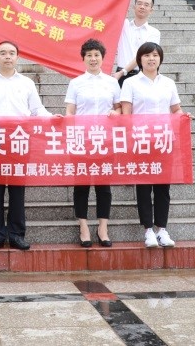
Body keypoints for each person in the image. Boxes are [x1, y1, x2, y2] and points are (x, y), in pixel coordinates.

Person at [0, 41, 52, 251]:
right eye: (3, 53)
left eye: (12, 53)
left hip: (19, 139)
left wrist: (52, 118)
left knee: (17, 189)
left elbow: (37, 110)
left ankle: (16, 234)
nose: (8, 56)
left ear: (17, 57)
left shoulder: (27, 83)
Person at [120, 42, 188, 248]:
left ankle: (162, 229)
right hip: (141, 141)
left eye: (155, 55)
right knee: (143, 186)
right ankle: (148, 230)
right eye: (147, 55)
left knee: (162, 187)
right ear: (140, 59)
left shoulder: (168, 83)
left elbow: (176, 109)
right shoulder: (130, 83)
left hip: (163, 140)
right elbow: (126, 114)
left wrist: (183, 116)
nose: (151, 59)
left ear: (160, 59)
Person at [64, 39, 121, 248]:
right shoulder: (76, 83)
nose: (93, 58)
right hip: (82, 139)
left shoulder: (111, 82)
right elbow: (70, 111)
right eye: (89, 55)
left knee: (103, 186)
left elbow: (119, 108)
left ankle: (103, 228)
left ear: (102, 58)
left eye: (96, 55)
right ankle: (84, 227)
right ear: (83, 59)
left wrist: (116, 112)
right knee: (81, 185)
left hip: (105, 140)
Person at [115, 0, 162, 87]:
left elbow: (144, 55)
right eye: (139, 3)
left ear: (151, 10)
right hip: (120, 75)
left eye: (146, 5)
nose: (142, 7)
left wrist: (123, 72)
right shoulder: (123, 25)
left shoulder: (154, 32)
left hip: (141, 75)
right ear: (134, 6)